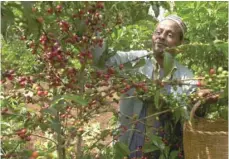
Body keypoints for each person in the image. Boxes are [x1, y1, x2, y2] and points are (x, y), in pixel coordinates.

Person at [93, 15, 215, 158]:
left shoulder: (186, 75)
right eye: (158, 32)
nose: (161, 37)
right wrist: (94, 26)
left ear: (181, 43)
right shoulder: (134, 61)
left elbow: (189, 110)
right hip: (131, 148)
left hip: (168, 150)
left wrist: (201, 100)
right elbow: (101, 61)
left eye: (170, 35)